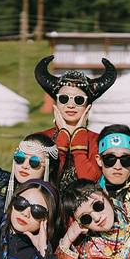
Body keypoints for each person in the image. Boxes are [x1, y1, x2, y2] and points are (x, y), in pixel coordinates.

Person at [34, 55, 116, 191]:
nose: (70, 105)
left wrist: (79, 139)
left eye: (78, 100)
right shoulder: (39, 139)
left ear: (87, 106)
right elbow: (45, 180)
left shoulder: (99, 141)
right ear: (56, 103)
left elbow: (89, 183)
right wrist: (63, 136)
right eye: (64, 99)